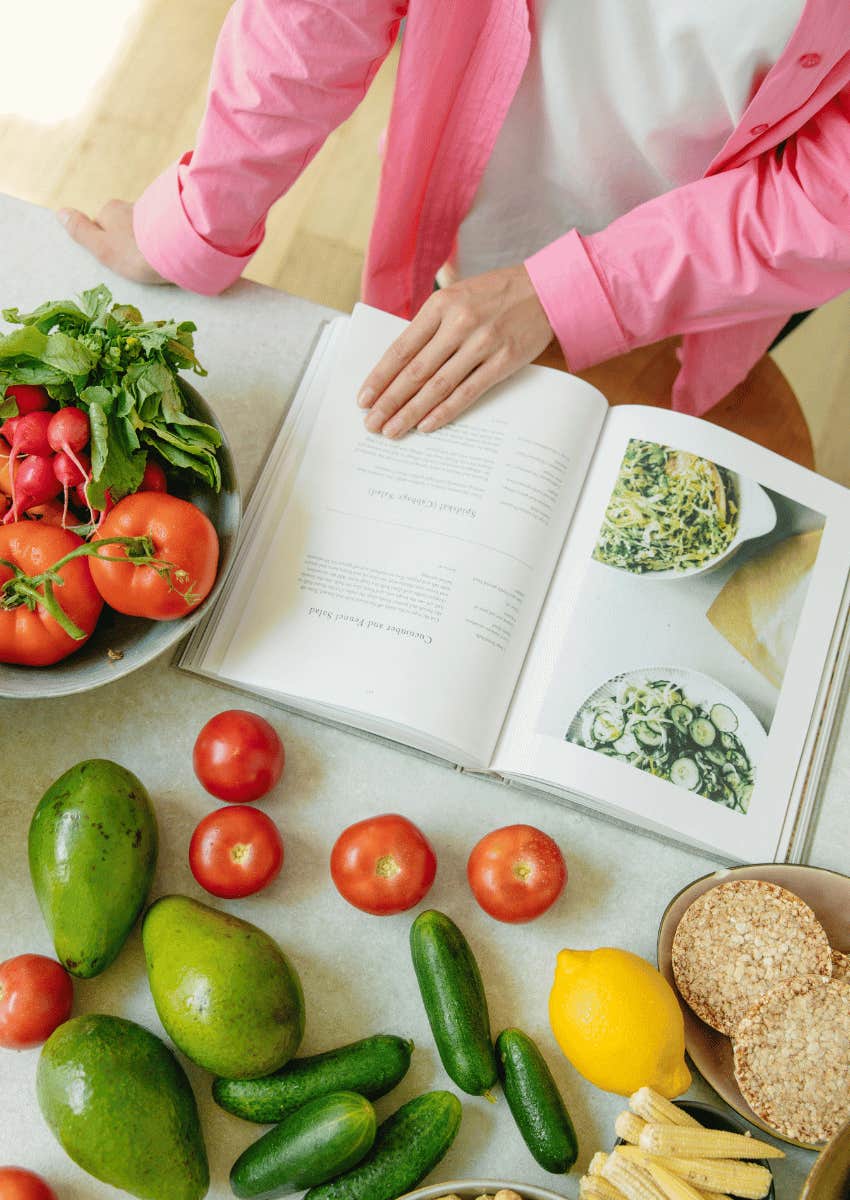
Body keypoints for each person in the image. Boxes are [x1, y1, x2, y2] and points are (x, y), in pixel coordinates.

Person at [60, 1, 850, 439]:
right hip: (492, 181)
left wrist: (567, 293)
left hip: (720, 260)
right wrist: (200, 219)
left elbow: (831, 193)